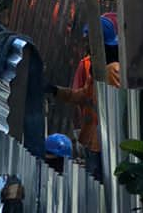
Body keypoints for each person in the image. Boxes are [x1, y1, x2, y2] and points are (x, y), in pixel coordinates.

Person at [51, 13, 121, 180]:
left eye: (89, 40)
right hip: (92, 140)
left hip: (104, 144)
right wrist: (55, 91)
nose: (86, 45)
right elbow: (82, 95)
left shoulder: (113, 71)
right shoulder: (97, 69)